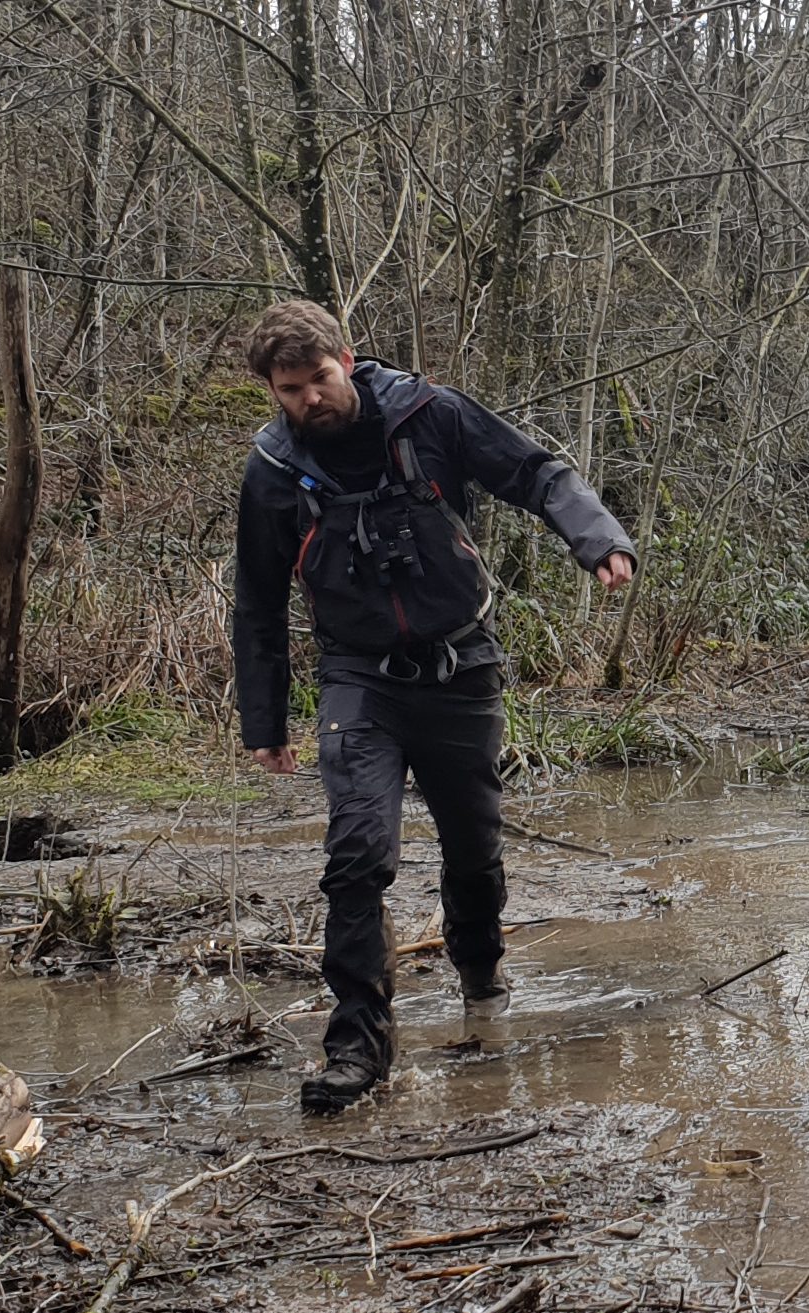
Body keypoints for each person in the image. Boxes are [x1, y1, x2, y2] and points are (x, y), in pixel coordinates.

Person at [228, 301, 636, 1114]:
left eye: (320, 378)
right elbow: (258, 602)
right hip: (357, 680)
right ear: (271, 391)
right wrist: (265, 723)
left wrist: (597, 539)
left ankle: (480, 979)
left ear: (347, 359)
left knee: (473, 852)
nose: (311, 399)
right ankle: (356, 1048)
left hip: (461, 667)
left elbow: (536, 473)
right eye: (291, 389)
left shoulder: (431, 415)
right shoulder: (273, 470)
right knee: (356, 856)